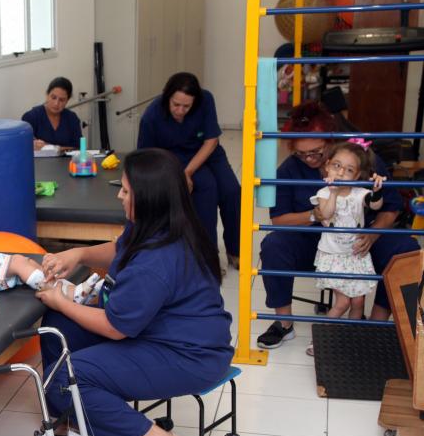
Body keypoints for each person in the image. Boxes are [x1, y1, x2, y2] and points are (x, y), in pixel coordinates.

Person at [37, 148, 233, 436]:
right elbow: (119, 248)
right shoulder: (157, 225)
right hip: (162, 336)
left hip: (189, 356)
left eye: (126, 190)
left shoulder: (156, 262)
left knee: (71, 374)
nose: (119, 194)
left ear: (149, 199)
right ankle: (76, 416)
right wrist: (79, 253)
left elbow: (115, 328)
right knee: (58, 328)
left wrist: (62, 299)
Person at [256, 102, 420, 349]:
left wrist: (372, 235)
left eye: (316, 152)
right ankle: (283, 323)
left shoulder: (362, 160)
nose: (309, 159)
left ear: (331, 143)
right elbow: (279, 220)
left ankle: (375, 324)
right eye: (301, 154)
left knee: (405, 248)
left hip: (360, 241)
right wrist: (315, 215)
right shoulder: (289, 169)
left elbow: (391, 207)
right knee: (273, 244)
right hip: (317, 243)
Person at [137, 72, 241, 269]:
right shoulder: (152, 115)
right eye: (176, 104)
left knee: (232, 191)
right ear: (167, 97)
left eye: (186, 106)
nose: (180, 110)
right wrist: (177, 174)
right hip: (175, 157)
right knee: (206, 188)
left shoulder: (206, 100)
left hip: (208, 152)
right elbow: (146, 156)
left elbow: (211, 141)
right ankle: (207, 254)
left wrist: (187, 173)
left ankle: (235, 249)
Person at [306, 139, 386, 356]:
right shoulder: (323, 193)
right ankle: (320, 339)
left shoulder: (359, 193)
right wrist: (333, 191)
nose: (341, 173)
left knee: (359, 301)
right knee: (342, 302)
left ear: (357, 176)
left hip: (355, 256)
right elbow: (328, 214)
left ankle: (353, 339)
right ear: (327, 165)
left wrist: (377, 189)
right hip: (333, 256)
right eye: (337, 166)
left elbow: (376, 204)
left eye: (349, 170)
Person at [21, 76, 83, 150]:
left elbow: (79, 147)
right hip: (39, 161)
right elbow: (23, 145)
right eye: (53, 98)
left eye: (62, 100)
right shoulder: (31, 117)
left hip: (68, 161)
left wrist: (51, 148)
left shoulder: (72, 118)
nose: (56, 103)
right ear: (47, 95)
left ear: (67, 100)